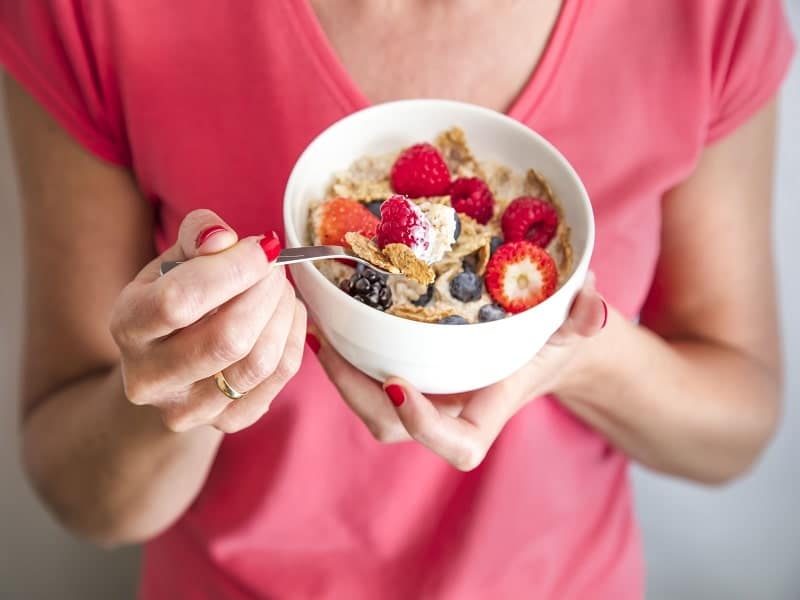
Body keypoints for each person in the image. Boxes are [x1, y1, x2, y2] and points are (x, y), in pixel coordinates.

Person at [0, 1, 794, 598]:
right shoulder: (91, 15)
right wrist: (193, 373)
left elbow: (734, 432)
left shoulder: (706, 16)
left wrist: (576, 351)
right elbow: (80, 497)